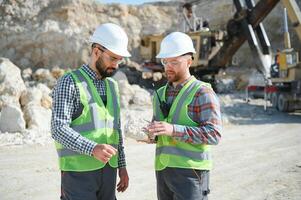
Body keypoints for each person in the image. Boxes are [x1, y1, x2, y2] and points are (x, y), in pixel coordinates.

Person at [51, 23, 131, 200]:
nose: (116, 65)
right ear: (96, 51)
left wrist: (122, 166)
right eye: (112, 58)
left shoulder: (112, 86)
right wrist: (92, 148)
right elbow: (58, 128)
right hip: (78, 173)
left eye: (119, 60)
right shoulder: (69, 82)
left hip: (108, 172)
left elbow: (115, 130)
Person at [145, 32, 222, 200]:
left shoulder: (202, 92)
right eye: (165, 61)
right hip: (163, 171)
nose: (168, 67)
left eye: (174, 62)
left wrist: (173, 130)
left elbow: (214, 134)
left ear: (189, 61)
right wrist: (151, 134)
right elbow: (161, 134)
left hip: (192, 174)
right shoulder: (160, 94)